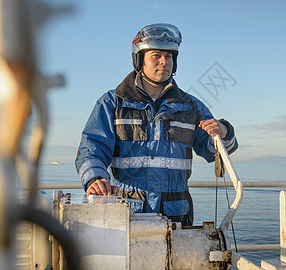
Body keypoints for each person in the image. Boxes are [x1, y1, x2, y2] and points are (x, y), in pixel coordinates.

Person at [75, 23, 238, 226]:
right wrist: (95, 179)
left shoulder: (191, 107)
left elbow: (214, 152)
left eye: (169, 56)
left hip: (177, 216)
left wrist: (223, 132)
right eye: (156, 56)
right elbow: (92, 148)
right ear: (139, 59)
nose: (164, 61)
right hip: (126, 214)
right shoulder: (112, 103)